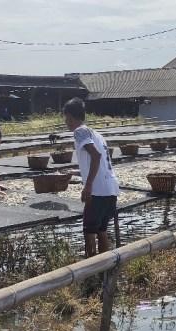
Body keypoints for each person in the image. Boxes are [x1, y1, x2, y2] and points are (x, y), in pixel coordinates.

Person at [63, 97, 120, 257]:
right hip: (111, 190)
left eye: (66, 119)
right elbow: (99, 164)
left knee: (89, 234)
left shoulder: (79, 131)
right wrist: (75, 173)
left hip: (97, 192)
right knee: (102, 231)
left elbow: (95, 157)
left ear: (71, 117)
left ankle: (91, 275)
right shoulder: (98, 135)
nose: (66, 123)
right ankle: (105, 271)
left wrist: (87, 187)